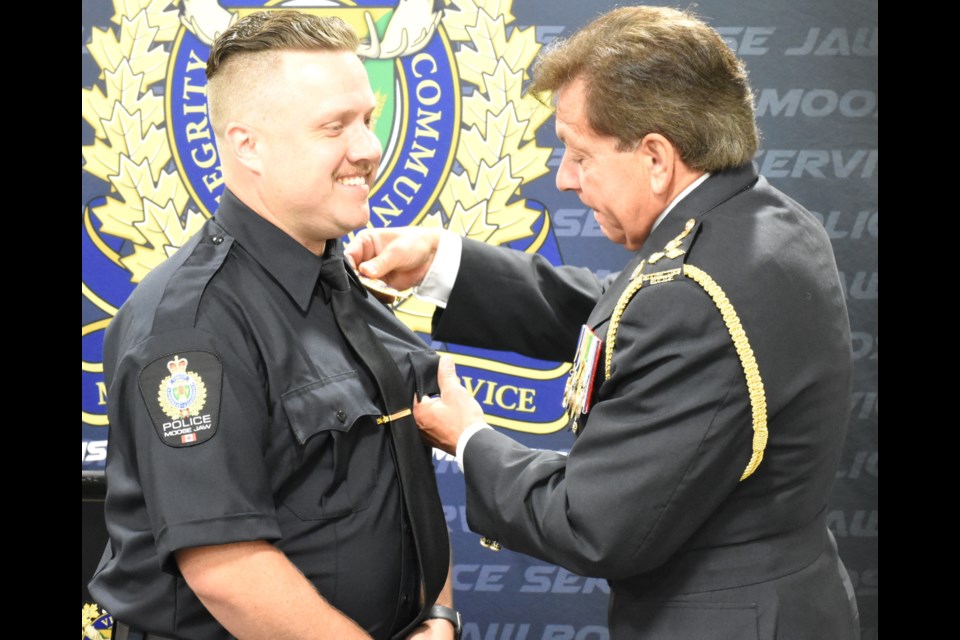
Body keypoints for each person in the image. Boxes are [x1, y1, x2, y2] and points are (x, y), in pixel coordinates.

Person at [347, 6, 860, 639]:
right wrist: (442, 262)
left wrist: (470, 439)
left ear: (655, 158)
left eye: (579, 154)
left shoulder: (693, 294)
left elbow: (589, 525)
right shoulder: (764, 222)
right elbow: (628, 311)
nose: (564, 179)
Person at [88, 11, 460, 640]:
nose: (368, 149)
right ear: (246, 145)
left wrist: (439, 615)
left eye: (368, 119)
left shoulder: (344, 283)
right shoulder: (191, 327)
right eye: (333, 126)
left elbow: (407, 479)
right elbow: (228, 569)